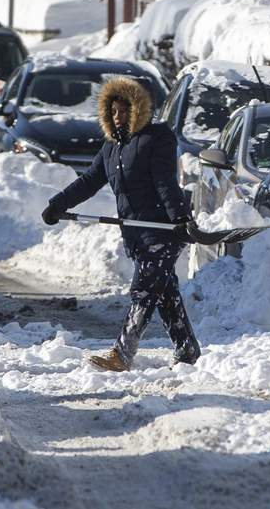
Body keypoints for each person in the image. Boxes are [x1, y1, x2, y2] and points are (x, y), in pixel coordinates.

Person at [41, 77, 201, 372]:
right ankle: (186, 348)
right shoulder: (111, 148)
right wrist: (58, 204)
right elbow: (89, 180)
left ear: (139, 109)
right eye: (114, 112)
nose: (119, 117)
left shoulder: (157, 138)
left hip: (162, 229)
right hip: (136, 232)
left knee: (143, 290)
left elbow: (166, 183)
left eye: (125, 111)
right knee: (164, 292)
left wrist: (180, 218)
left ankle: (122, 353)